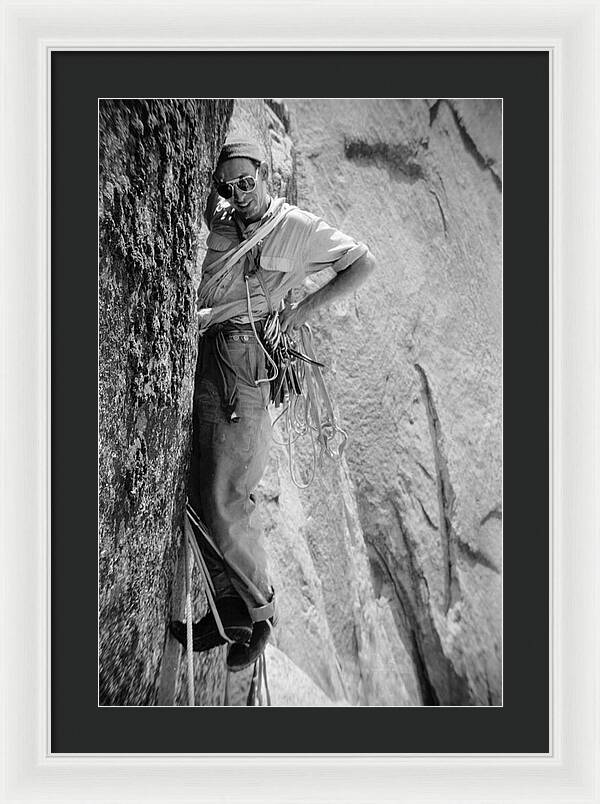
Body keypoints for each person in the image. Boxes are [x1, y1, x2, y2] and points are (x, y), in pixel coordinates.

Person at [171, 140, 376, 671]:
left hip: (243, 361)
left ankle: (259, 616)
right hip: (212, 350)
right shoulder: (222, 219)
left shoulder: (296, 228)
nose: (238, 194)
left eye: (247, 182)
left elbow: (361, 262)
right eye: (228, 186)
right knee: (199, 482)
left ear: (266, 177)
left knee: (228, 491)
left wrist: (301, 310)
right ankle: (229, 610)